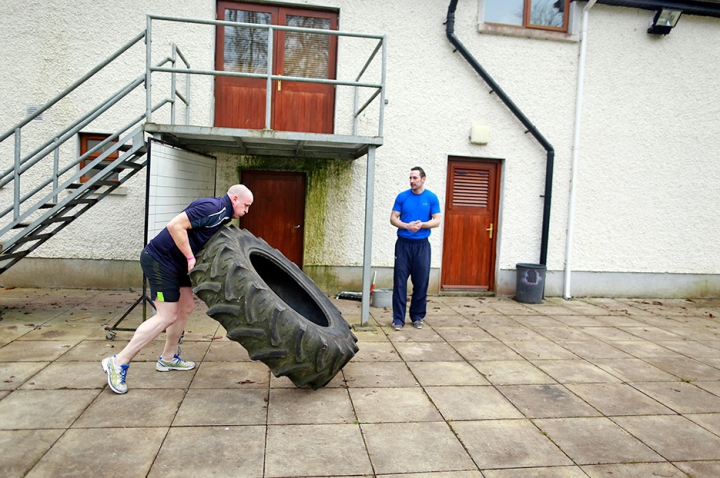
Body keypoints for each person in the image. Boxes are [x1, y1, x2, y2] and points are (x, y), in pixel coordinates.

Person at [102, 184, 254, 394]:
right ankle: (118, 362)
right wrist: (191, 257)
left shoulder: (224, 215)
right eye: (246, 206)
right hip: (160, 261)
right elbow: (175, 226)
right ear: (234, 198)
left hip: (177, 264)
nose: (246, 211)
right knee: (166, 316)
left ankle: (168, 358)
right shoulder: (213, 208)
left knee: (186, 307)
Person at [390, 167, 441, 331]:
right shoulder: (402, 196)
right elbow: (393, 218)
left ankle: (417, 316)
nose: (412, 181)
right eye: (410, 178)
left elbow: (437, 220)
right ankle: (398, 319)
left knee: (421, 282)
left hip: (422, 246)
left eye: (415, 178)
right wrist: (405, 225)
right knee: (399, 282)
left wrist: (422, 224)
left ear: (423, 179)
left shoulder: (431, 198)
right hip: (403, 245)